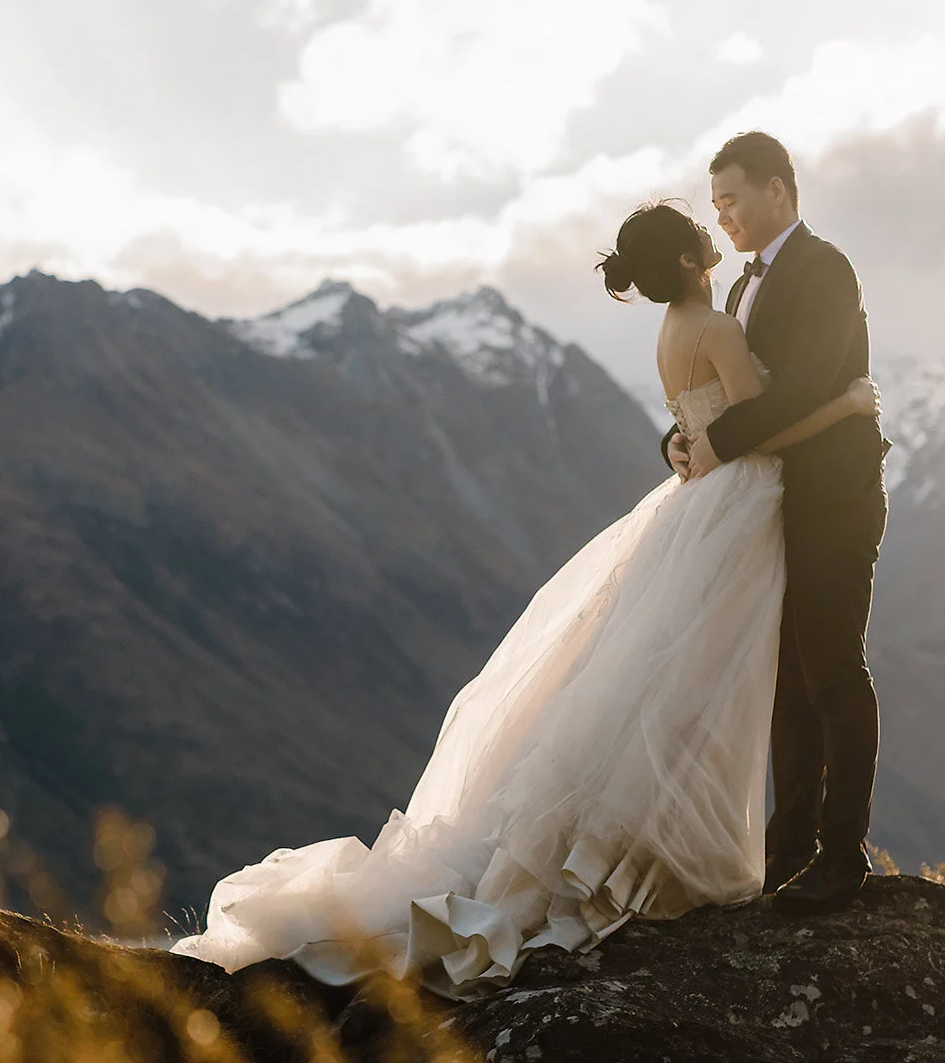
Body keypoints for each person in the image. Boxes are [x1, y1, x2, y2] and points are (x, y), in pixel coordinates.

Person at [173, 196, 881, 995]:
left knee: (676, 680)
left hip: (703, 507)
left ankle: (705, 847)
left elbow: (698, 425)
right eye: (706, 225)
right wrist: (845, 404)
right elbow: (750, 426)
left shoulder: (672, 334)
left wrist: (688, 443)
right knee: (711, 683)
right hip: (738, 506)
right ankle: (675, 854)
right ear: (690, 262)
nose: (719, 232)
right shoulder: (717, 325)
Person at [672, 132, 890, 914]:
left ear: (779, 191)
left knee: (832, 665)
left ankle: (843, 855)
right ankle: (788, 847)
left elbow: (800, 389)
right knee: (788, 680)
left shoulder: (826, 270)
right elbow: (732, 394)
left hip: (833, 497)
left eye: (732, 200)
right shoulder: (735, 291)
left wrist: (715, 445)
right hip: (769, 502)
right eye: (717, 204)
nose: (722, 216)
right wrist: (683, 438)